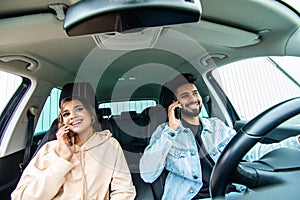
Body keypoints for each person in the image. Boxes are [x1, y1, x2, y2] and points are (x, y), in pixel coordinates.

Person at [139, 73, 300, 200]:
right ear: (175, 103)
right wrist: (171, 130)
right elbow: (147, 175)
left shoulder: (217, 126)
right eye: (185, 96)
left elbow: (254, 152)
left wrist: (296, 142)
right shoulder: (165, 132)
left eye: (195, 93)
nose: (194, 99)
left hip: (231, 193)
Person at [11, 82, 136, 200]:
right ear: (62, 122)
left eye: (79, 109)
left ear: (92, 114)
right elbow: (22, 197)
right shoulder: (49, 149)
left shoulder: (110, 145)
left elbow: (124, 190)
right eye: (66, 114)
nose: (72, 116)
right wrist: (64, 160)